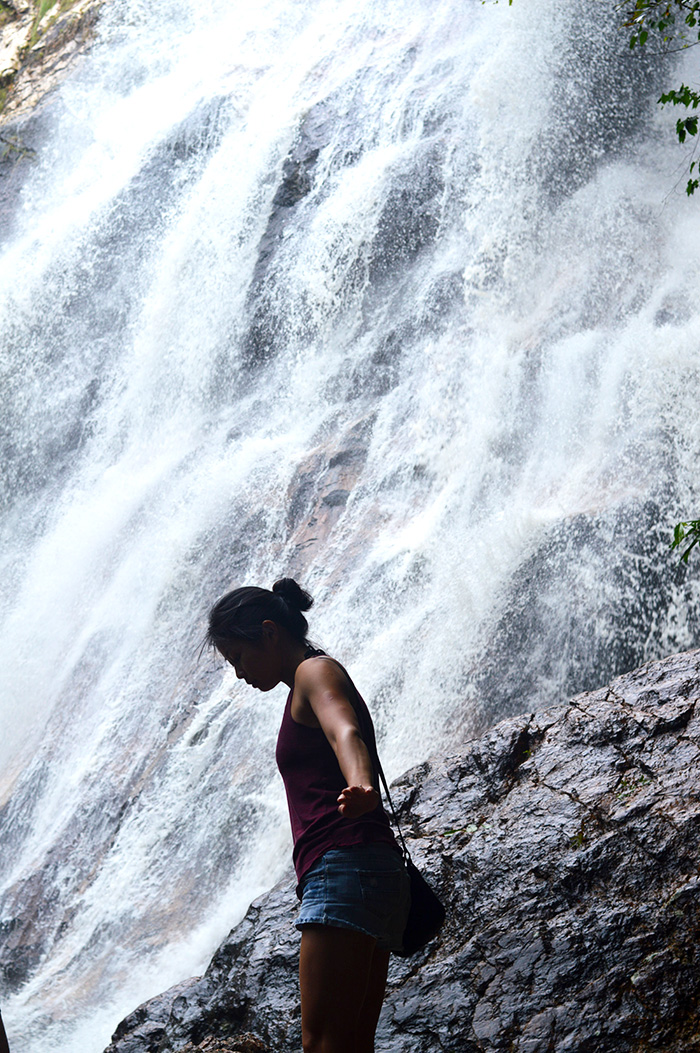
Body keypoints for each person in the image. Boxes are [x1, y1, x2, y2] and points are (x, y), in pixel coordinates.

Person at [206, 577, 410, 1053]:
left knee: (322, 1044)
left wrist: (360, 783)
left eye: (238, 657)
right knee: (352, 1044)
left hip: (342, 867)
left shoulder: (313, 672)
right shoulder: (307, 678)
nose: (238, 673)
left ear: (270, 631)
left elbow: (345, 731)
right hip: (375, 869)